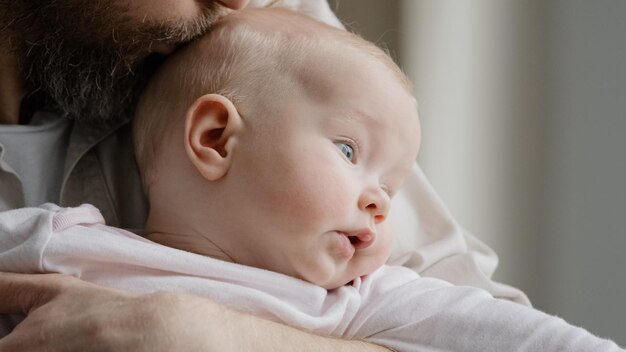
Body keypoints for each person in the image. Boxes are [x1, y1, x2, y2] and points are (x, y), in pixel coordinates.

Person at [1, 8, 623, 351]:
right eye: (350, 151)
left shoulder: (361, 300)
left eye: (393, 182)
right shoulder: (64, 243)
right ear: (216, 138)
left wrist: (209, 337)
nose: (382, 201)